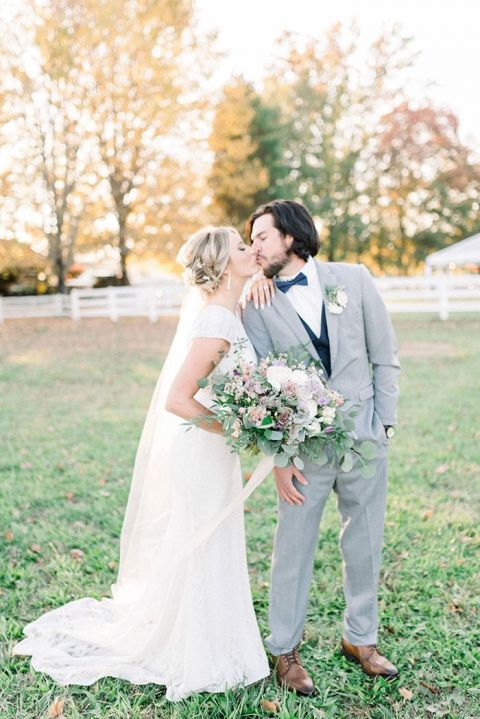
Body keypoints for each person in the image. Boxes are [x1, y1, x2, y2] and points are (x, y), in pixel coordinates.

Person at [11, 226, 270, 702]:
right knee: (200, 541)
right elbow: (178, 399)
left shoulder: (230, 313)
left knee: (212, 539)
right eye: (241, 246)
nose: (251, 250)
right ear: (221, 263)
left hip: (213, 452)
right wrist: (236, 428)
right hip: (203, 451)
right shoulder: (215, 321)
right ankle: (196, 651)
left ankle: (216, 639)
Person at [242, 199, 401, 696]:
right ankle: (284, 650)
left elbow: (385, 354)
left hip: (366, 440)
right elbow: (262, 385)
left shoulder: (353, 279)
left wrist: (385, 425)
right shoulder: (258, 301)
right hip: (303, 448)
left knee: (365, 541)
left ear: (290, 237)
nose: (254, 248)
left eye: (262, 238)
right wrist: (280, 460)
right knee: (292, 547)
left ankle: (361, 639)